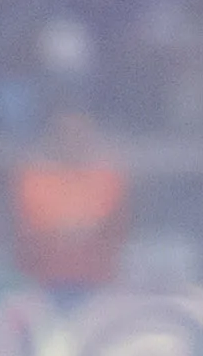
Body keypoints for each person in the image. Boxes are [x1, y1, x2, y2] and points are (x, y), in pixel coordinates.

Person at [12, 110, 129, 289]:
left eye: (78, 133)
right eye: (64, 133)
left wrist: (75, 228)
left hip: (100, 284)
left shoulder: (108, 176)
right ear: (52, 137)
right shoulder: (33, 178)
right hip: (41, 284)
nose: (71, 140)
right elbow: (37, 227)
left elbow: (105, 223)